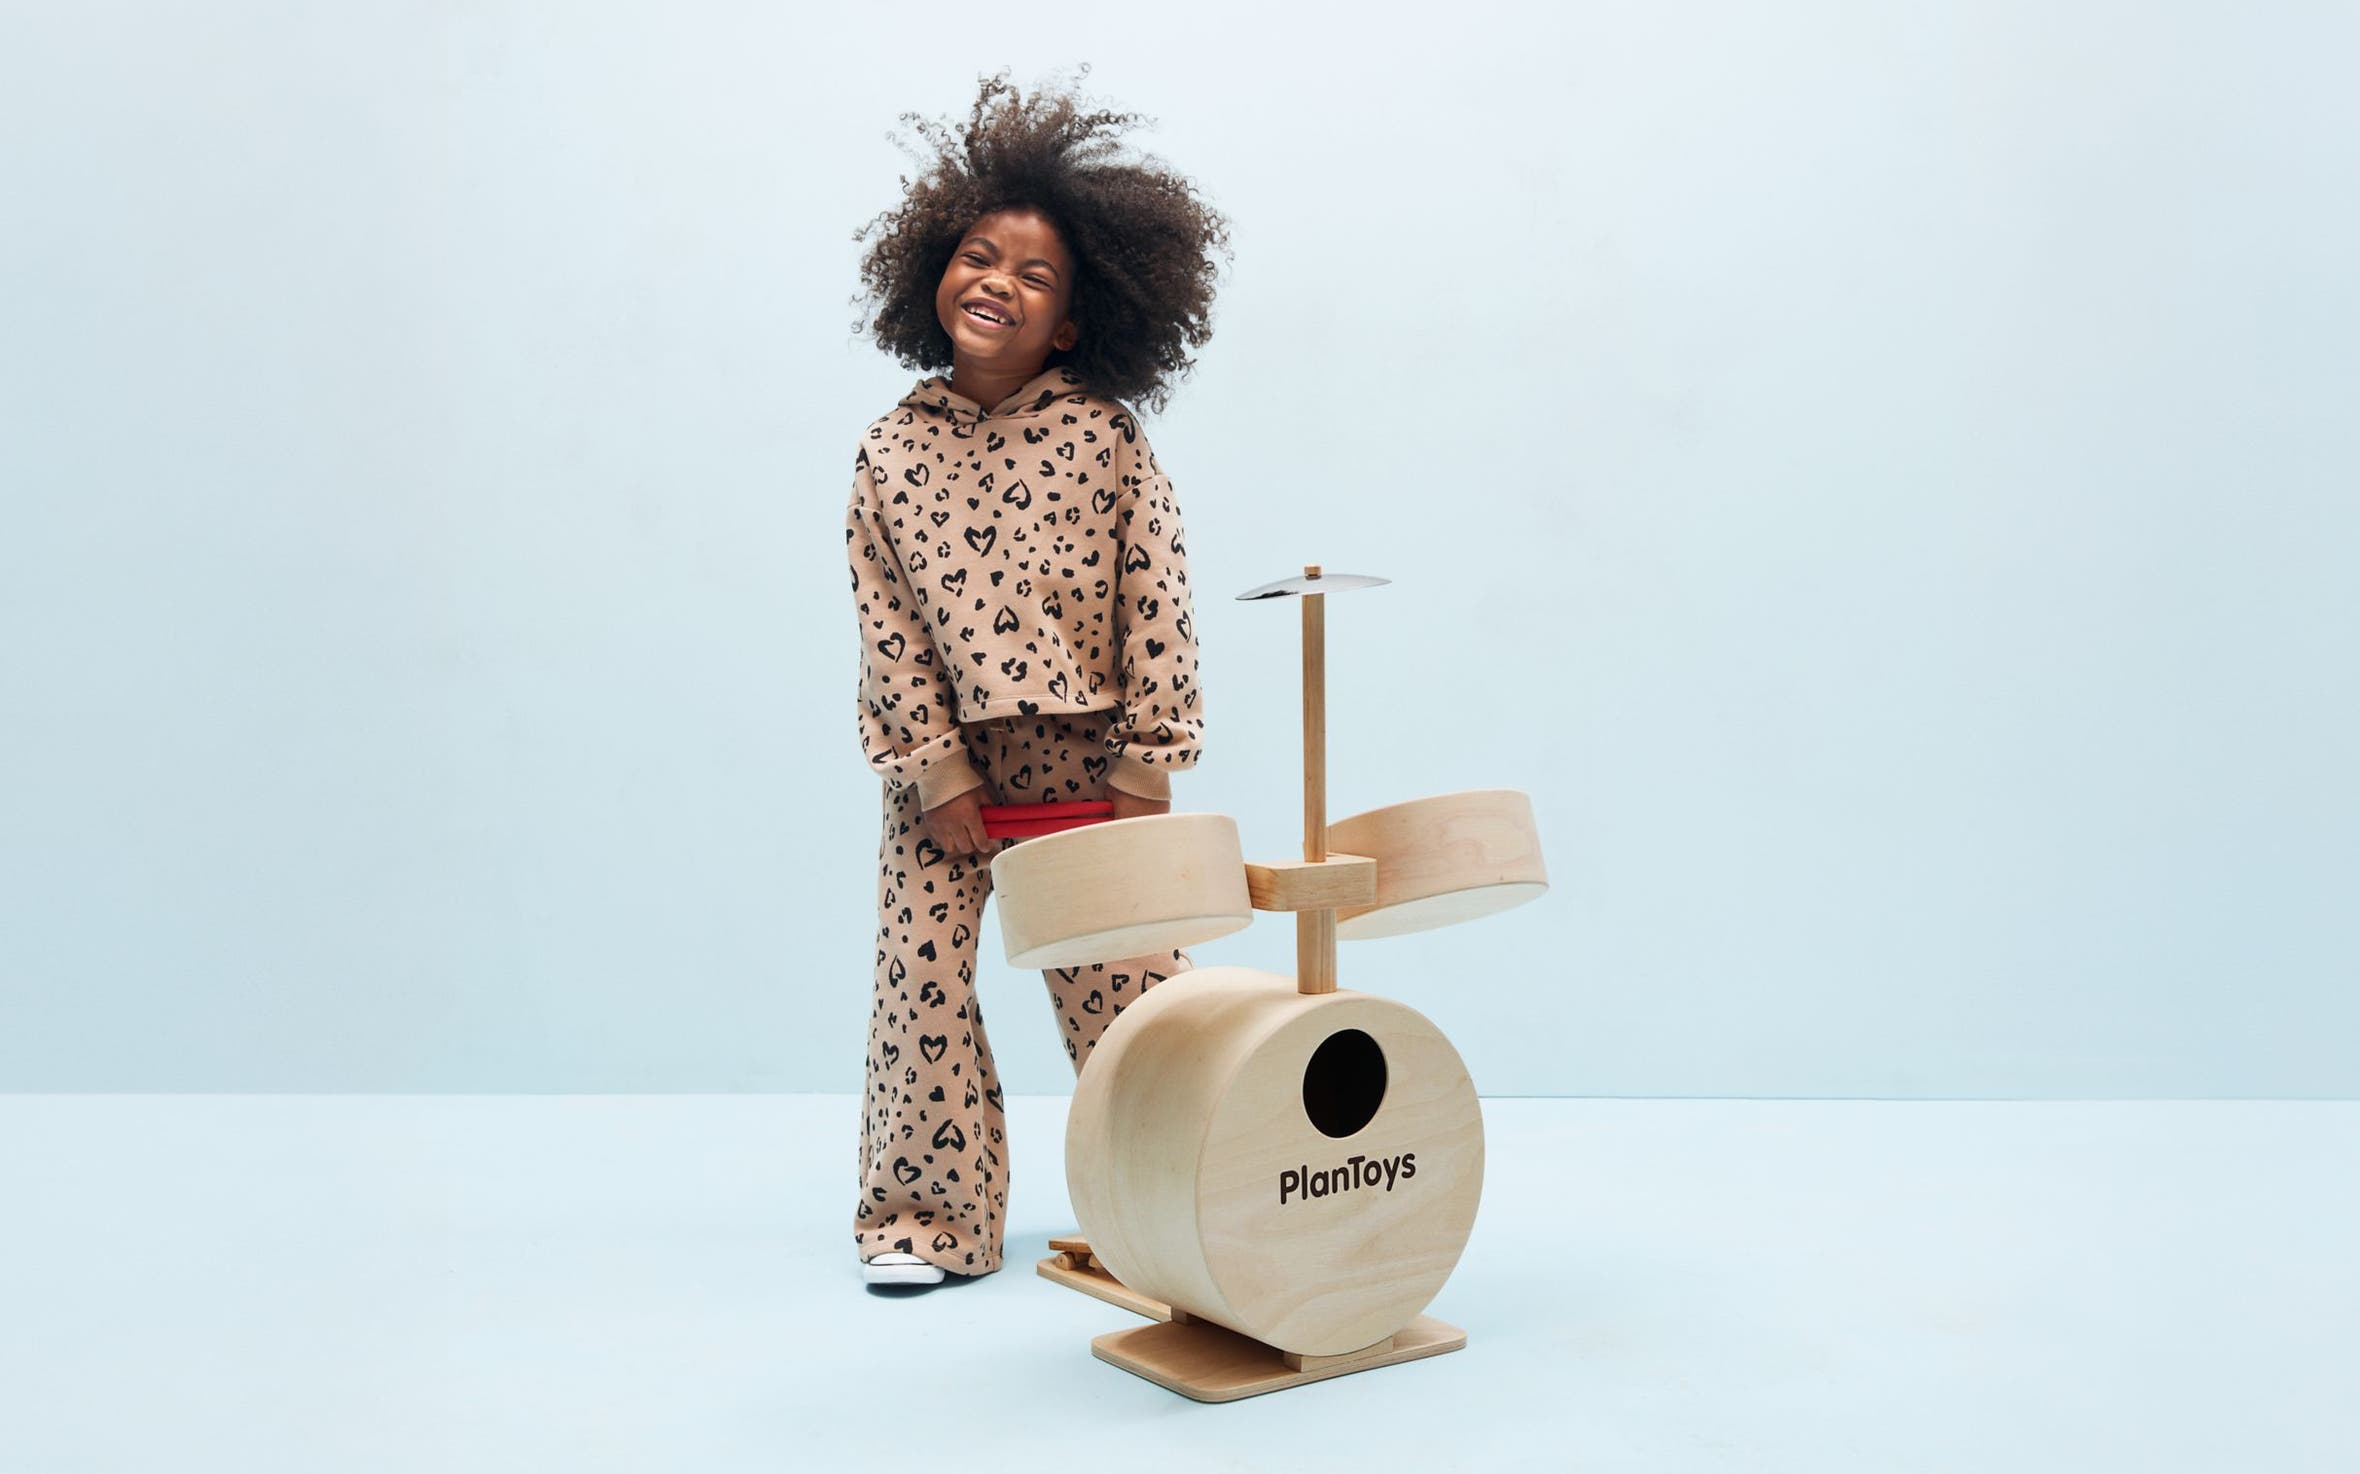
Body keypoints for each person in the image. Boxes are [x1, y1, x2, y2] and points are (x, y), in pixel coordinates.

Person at [842, 68, 1232, 1287]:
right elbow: (886, 622)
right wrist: (934, 769)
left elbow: (1155, 596)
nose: (996, 281)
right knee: (917, 986)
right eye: (976, 256)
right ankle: (924, 1218)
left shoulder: (1105, 438)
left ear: (1069, 322)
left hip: (1088, 762)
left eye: (1033, 274)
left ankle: (1171, 1206)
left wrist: (1148, 764)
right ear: (932, 273)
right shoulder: (888, 450)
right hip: (941, 774)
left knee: (1125, 989)